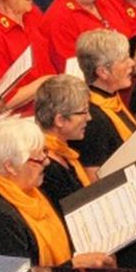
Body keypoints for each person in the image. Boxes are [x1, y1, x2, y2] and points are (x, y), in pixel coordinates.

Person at [0, 117, 114, 268]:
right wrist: (72, 266)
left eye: (45, 152)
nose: (47, 162)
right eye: (38, 159)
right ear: (10, 167)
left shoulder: (33, 191)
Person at [70, 29, 136, 174]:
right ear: (103, 72)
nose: (132, 63)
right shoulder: (91, 119)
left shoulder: (111, 99)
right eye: (124, 59)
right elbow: (96, 179)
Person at [34, 75, 95, 209]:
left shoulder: (62, 151)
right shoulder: (45, 167)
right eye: (84, 112)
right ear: (60, 120)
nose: (89, 118)